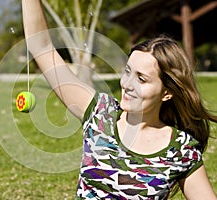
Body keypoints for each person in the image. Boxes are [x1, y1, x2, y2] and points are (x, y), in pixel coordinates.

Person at [21, 0, 217, 199]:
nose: (127, 84)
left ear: (167, 93)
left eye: (141, 79)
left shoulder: (181, 149)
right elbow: (41, 46)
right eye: (128, 72)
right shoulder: (100, 114)